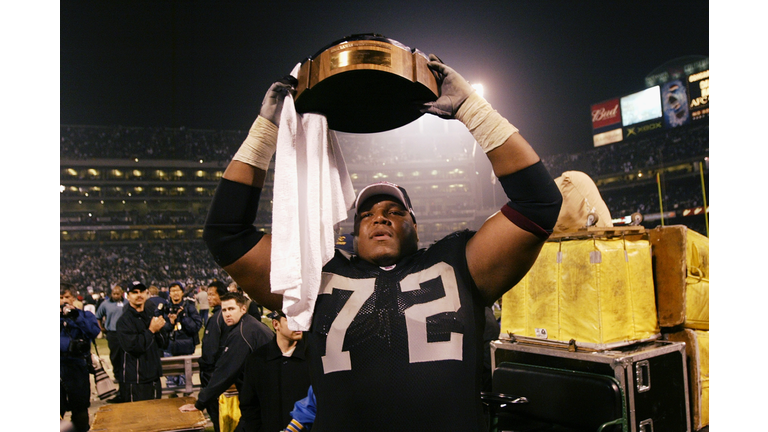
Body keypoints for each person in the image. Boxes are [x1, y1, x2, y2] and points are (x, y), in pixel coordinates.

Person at [202, 56, 562, 430]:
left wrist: (474, 110)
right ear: (354, 234)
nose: (380, 217)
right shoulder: (317, 276)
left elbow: (539, 204)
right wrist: (265, 133)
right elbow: (226, 234)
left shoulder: (459, 261)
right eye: (366, 214)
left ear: (416, 227)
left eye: (394, 211)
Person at [178, 292, 274, 418]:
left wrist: (199, 404)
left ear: (243, 309)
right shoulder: (249, 325)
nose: (227, 314)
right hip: (268, 393)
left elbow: (225, 372)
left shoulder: (242, 333)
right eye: (224, 310)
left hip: (265, 397)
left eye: (231, 309)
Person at [235, 309, 310, 432]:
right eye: (291, 319)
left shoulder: (312, 358)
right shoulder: (257, 360)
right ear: (276, 324)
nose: (298, 324)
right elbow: (249, 404)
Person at [116, 281, 169, 402]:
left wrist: (160, 329)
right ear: (128, 296)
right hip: (135, 381)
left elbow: (164, 344)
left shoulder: (151, 315)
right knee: (137, 418)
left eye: (142, 292)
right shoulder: (124, 321)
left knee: (156, 417)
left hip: (153, 377)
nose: (139, 295)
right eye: (134, 292)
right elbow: (134, 347)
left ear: (147, 294)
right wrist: (151, 330)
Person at [60, 282, 101, 432]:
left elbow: (94, 332)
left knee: (80, 411)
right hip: (59, 366)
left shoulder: (84, 315)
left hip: (78, 367)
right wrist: (66, 345)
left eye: (67, 297)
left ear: (73, 298)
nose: (63, 300)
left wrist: (76, 317)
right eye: (60, 297)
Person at [197, 280, 231, 432]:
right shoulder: (224, 316)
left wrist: (204, 367)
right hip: (222, 373)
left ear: (222, 296)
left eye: (212, 294)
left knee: (217, 417)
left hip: (212, 374)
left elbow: (210, 352)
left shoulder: (217, 318)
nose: (209, 298)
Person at [163, 281, 203, 389]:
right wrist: (170, 323)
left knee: (186, 382)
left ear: (182, 292)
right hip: (169, 348)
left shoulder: (190, 307)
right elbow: (160, 329)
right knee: (171, 382)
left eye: (177, 290)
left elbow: (196, 327)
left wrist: (184, 317)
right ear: (169, 293)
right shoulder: (165, 308)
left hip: (186, 348)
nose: (175, 293)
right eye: (172, 291)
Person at [94, 283, 128, 403]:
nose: (116, 295)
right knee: (115, 358)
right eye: (114, 293)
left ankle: (126, 387)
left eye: (118, 293)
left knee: (127, 359)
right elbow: (97, 316)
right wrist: (101, 328)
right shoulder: (105, 304)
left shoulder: (126, 303)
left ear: (122, 293)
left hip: (125, 333)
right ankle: (120, 385)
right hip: (113, 334)